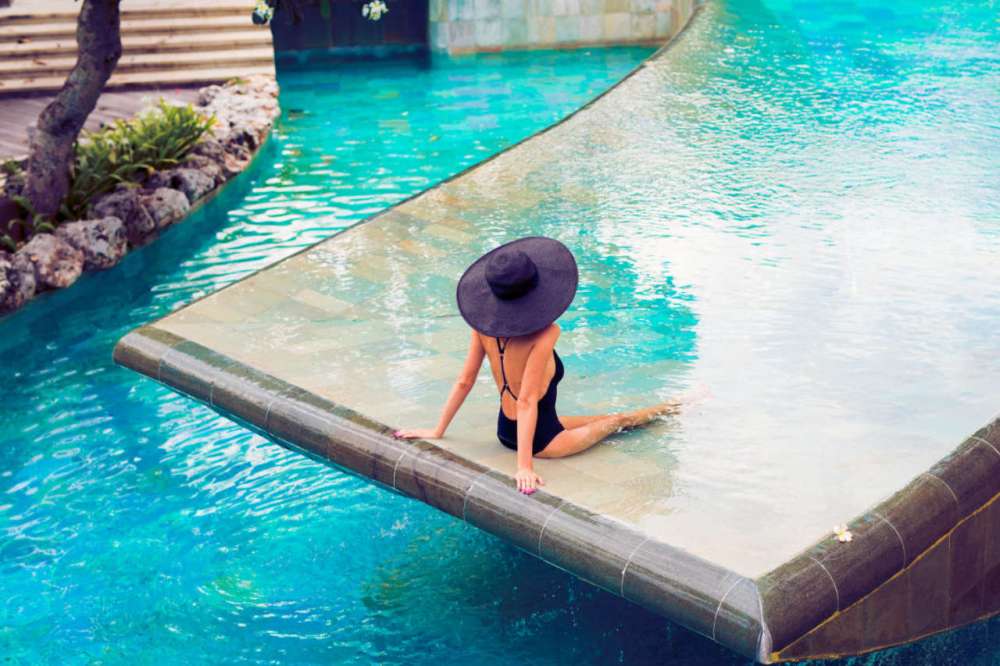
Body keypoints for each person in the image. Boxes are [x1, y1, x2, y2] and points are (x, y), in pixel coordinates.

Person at [393, 236, 685, 495]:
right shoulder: (547, 332)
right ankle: (677, 406)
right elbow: (528, 400)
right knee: (617, 421)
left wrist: (437, 429)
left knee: (600, 417)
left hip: (505, 430)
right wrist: (524, 467)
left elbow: (464, 381)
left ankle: (674, 406)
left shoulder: (484, 327)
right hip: (543, 441)